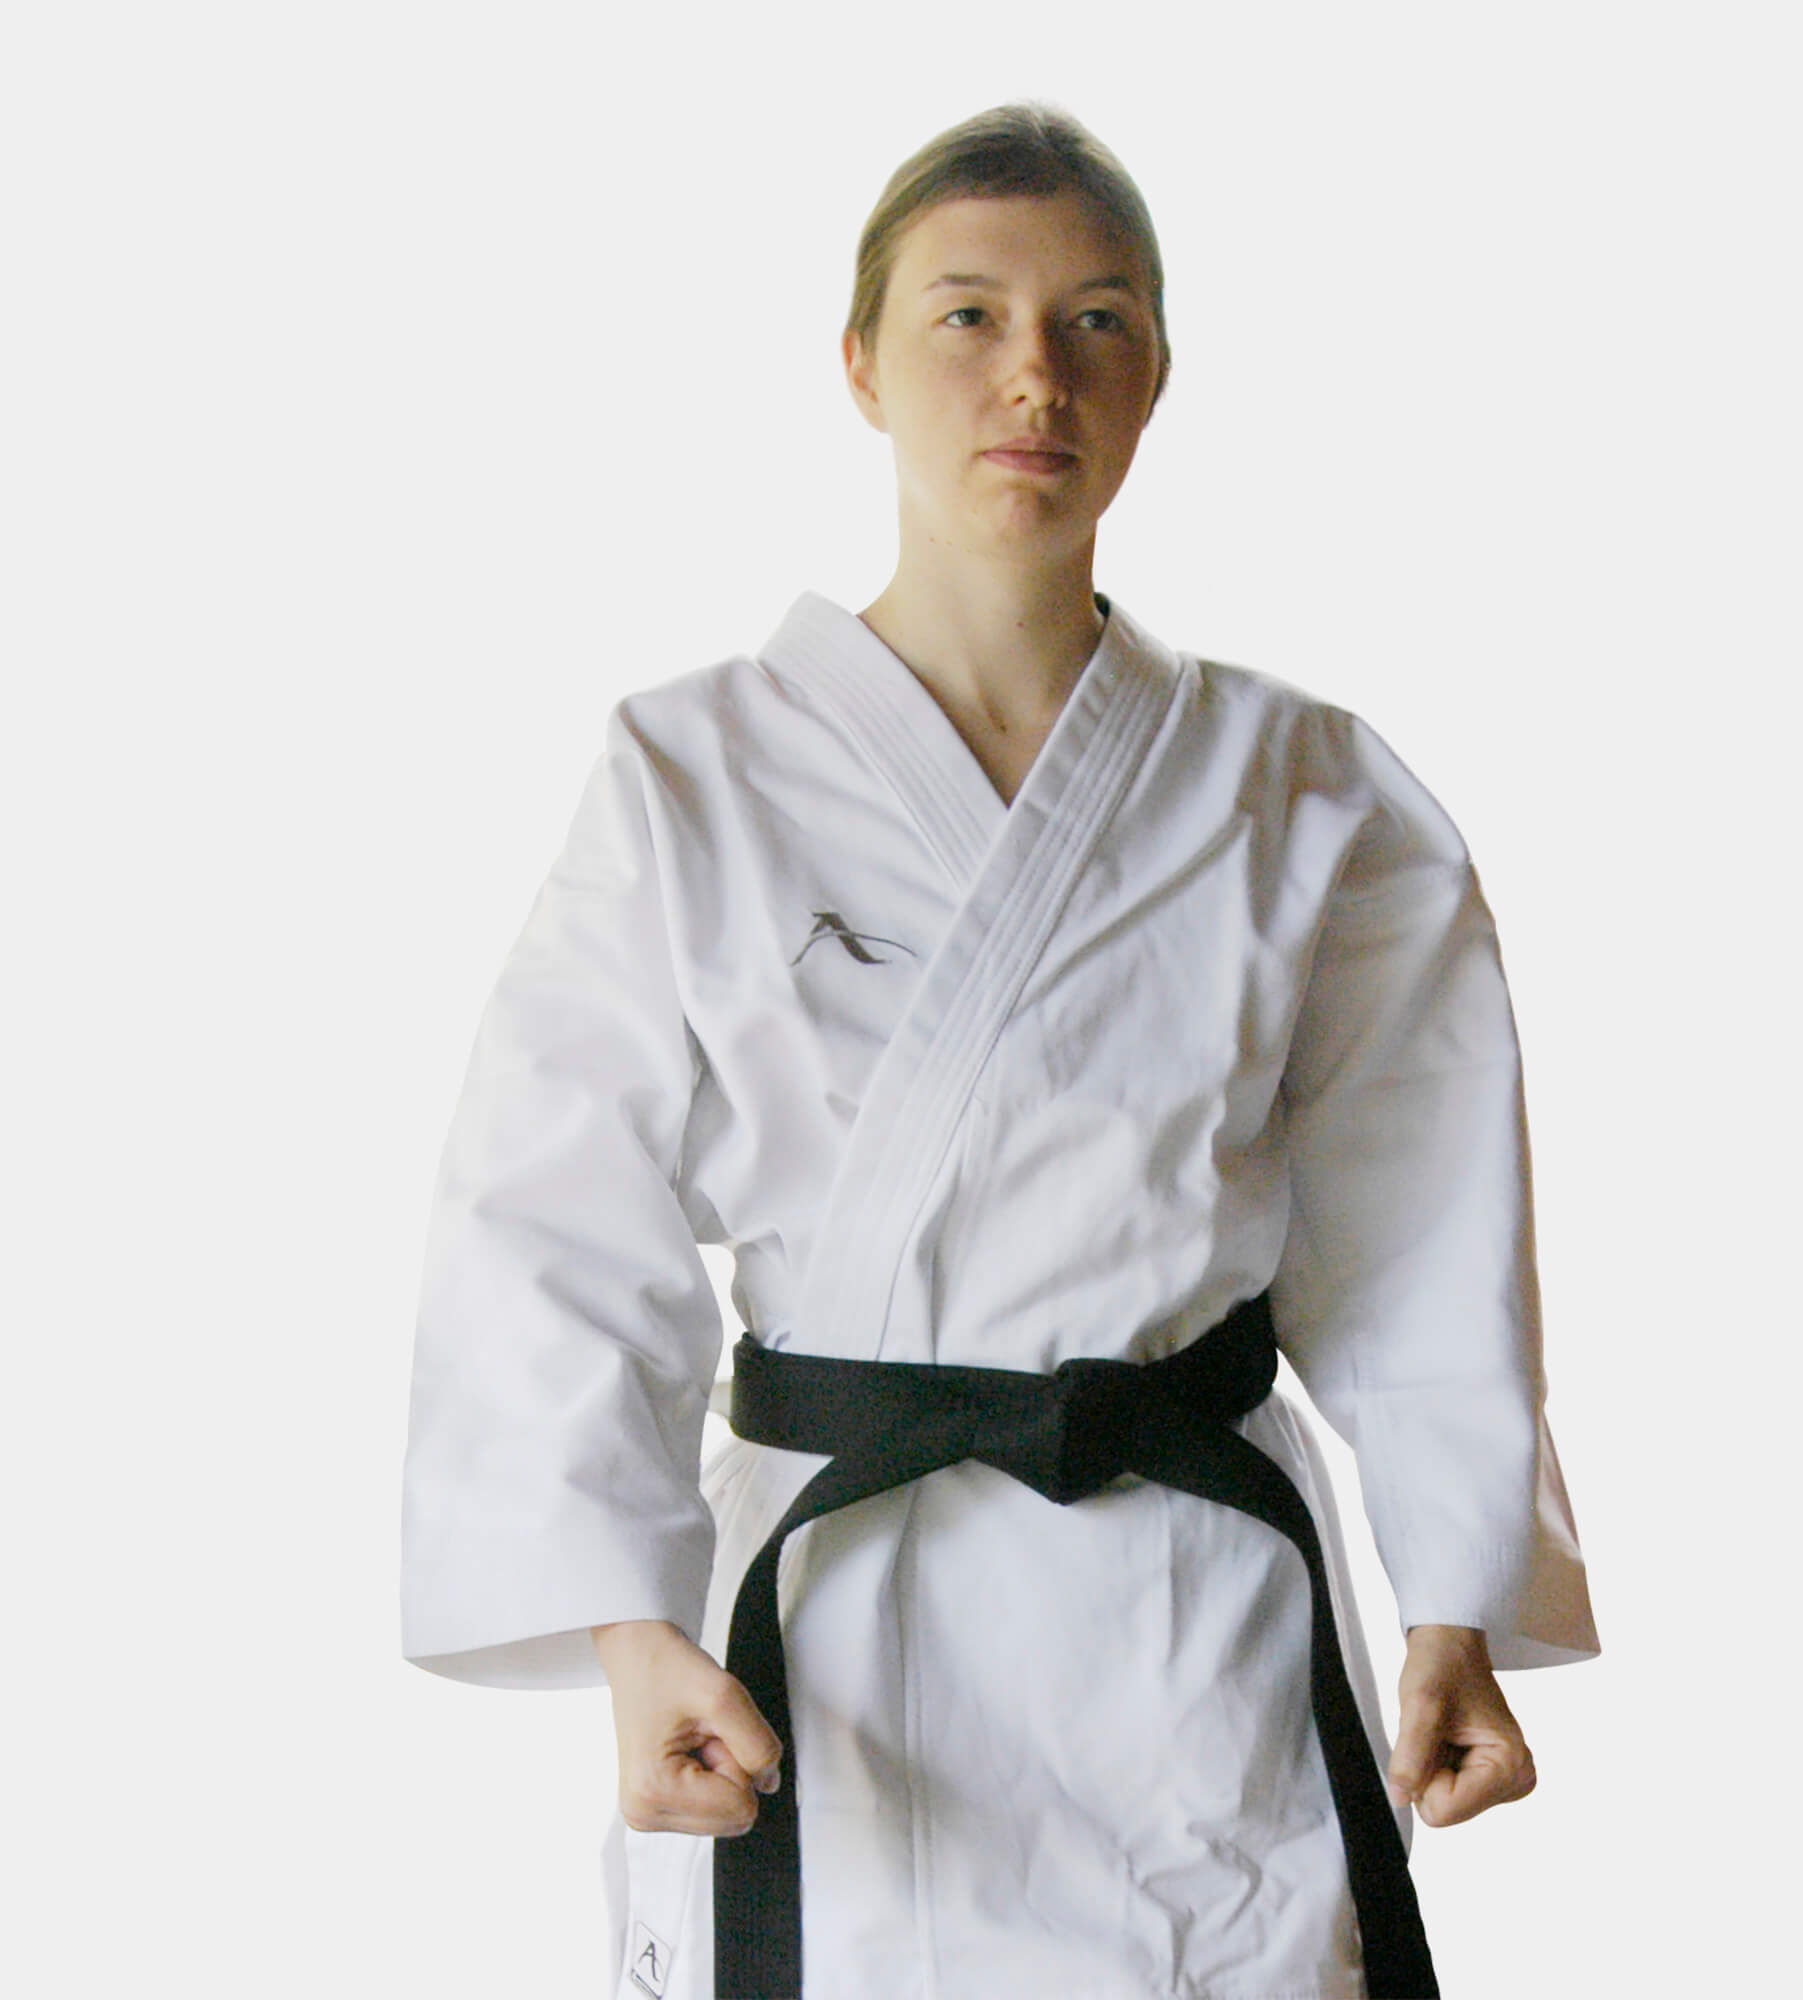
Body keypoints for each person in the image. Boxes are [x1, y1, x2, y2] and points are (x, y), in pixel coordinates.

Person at [400, 102, 1598, 2000]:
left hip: (1189, 1623)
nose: (1035, 374)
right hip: (835, 1634)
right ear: (861, 363)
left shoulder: (1301, 787)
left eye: (1096, 321)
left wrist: (1451, 1596)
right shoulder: (690, 774)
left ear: (1156, 377)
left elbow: (1425, 1223)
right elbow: (550, 1229)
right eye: (968, 315)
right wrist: (630, 1635)